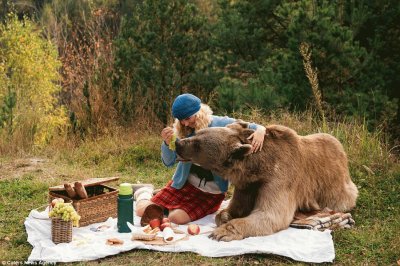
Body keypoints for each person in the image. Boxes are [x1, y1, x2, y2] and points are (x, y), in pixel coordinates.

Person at [134, 93, 266, 224]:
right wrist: (167, 143)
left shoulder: (220, 124)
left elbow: (251, 126)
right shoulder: (181, 130)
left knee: (176, 218)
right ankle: (144, 191)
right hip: (184, 185)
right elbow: (168, 162)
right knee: (141, 211)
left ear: (199, 111)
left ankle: (166, 204)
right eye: (181, 120)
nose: (185, 124)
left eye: (187, 118)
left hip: (210, 192)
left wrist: (261, 130)